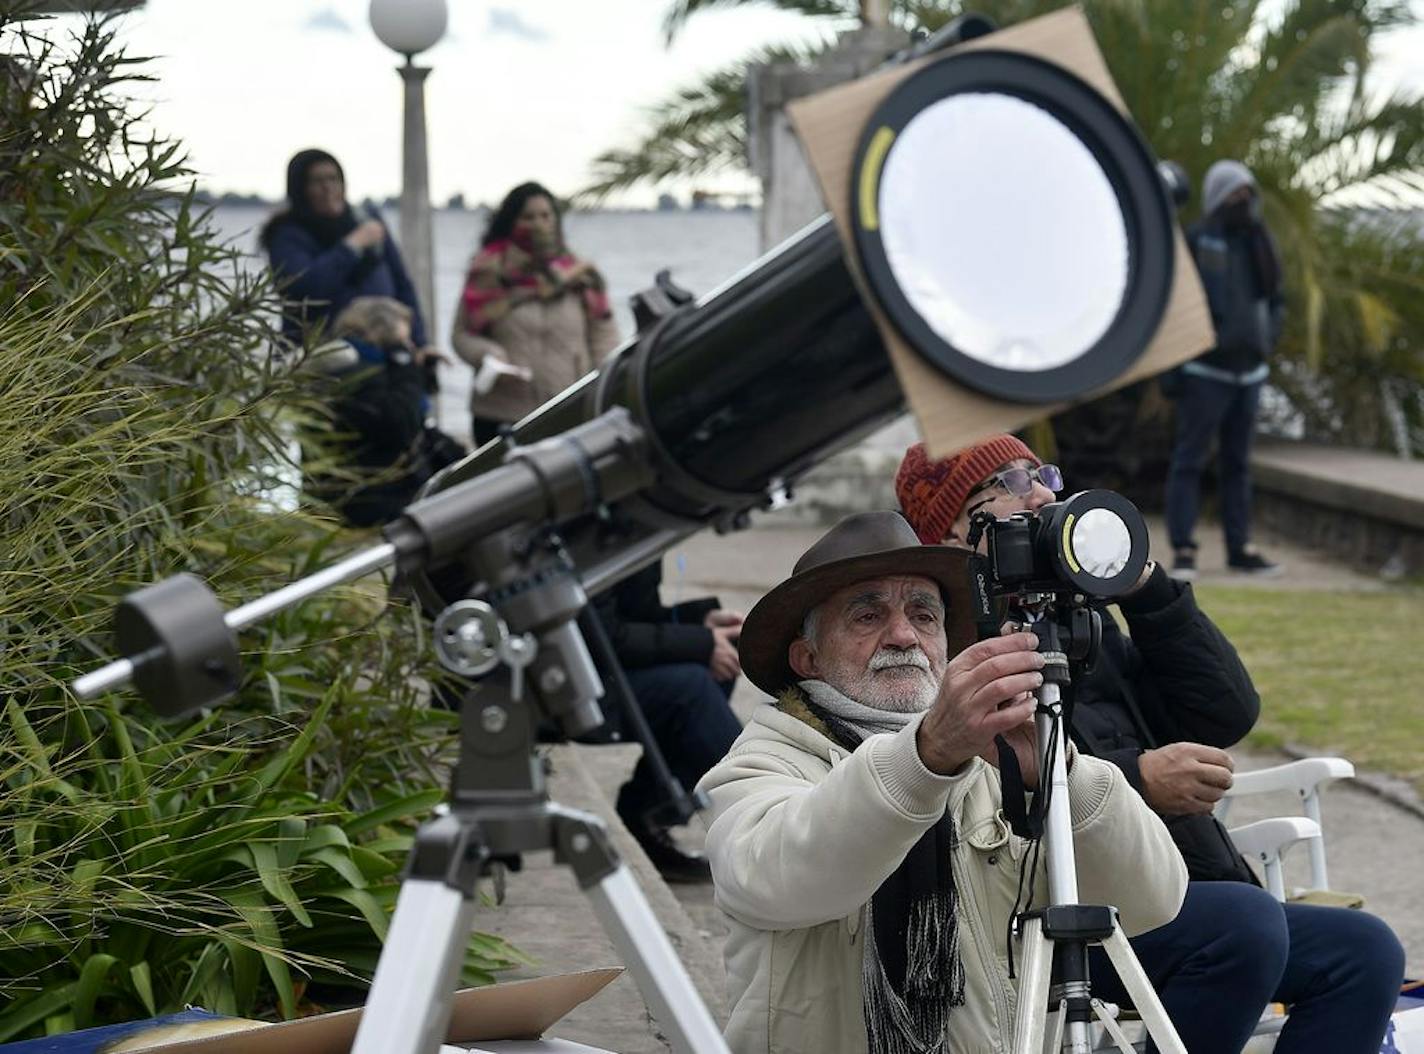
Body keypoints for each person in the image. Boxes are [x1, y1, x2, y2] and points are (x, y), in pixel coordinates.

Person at [896, 434, 1405, 1054]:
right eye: (1007, 481)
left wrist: (1142, 584)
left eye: (1040, 474)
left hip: (1178, 886)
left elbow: (1224, 713)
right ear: (952, 530)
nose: (1039, 493)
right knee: (1245, 928)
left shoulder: (1078, 617)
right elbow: (986, 795)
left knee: (1363, 949)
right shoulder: (953, 646)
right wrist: (1138, 781)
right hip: (1046, 911)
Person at [697, 510, 1187, 1054]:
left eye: (924, 616)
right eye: (867, 616)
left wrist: (1060, 772)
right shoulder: (764, 760)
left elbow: (1153, 901)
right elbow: (781, 877)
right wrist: (926, 756)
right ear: (806, 658)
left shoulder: (990, 757)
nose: (904, 635)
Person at [1164, 160, 1285, 580]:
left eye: (1247, 192)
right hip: (1205, 373)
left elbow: (1275, 299)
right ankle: (1183, 548)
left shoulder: (1259, 242)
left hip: (1249, 373)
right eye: (1235, 193)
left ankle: (1240, 548)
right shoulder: (1197, 240)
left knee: (1238, 464)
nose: (1243, 200)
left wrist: (1268, 341)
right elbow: (1177, 308)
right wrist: (1175, 372)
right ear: (1218, 197)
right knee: (1189, 461)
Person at [593, 562, 744, 884]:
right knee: (693, 688)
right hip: (571, 684)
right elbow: (601, 634)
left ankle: (645, 816)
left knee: (717, 665)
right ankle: (771, 818)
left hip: (598, 669)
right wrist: (699, 642)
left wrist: (697, 622)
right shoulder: (596, 528)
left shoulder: (628, 527)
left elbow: (635, 616)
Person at [451, 182, 619, 446]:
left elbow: (604, 336)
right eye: (528, 217)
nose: (538, 224)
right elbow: (461, 335)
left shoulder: (581, 275)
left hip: (568, 407)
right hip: (501, 412)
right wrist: (488, 356)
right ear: (511, 221)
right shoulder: (487, 273)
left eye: (545, 215)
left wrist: (603, 387)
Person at [261, 149, 432, 358]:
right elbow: (306, 288)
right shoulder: (287, 234)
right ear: (300, 188)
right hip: (318, 354)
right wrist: (351, 246)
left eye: (334, 179)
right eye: (317, 181)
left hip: (384, 349)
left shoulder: (365, 221)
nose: (328, 188)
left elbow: (402, 284)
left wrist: (421, 343)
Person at [306, 296, 458, 527]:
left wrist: (418, 373)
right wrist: (405, 365)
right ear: (382, 338)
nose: (411, 348)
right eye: (404, 342)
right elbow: (399, 424)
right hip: (369, 503)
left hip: (360, 493)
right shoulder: (353, 374)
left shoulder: (340, 362)